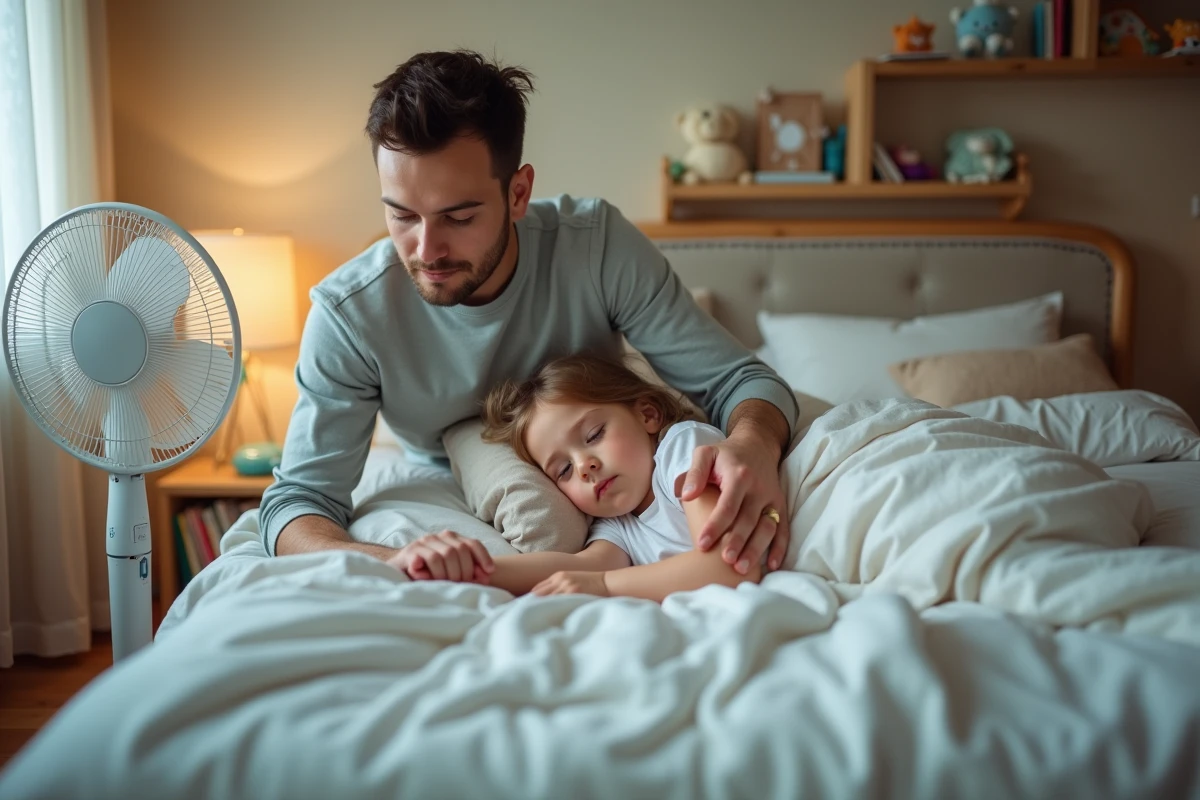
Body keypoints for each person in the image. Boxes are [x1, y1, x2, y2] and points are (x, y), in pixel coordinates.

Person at [259, 49, 799, 575]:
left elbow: (739, 380)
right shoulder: (349, 315)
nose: (426, 250)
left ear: (518, 193)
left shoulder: (596, 247)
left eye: (459, 217)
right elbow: (297, 503)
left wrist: (751, 444)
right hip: (457, 460)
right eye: (402, 216)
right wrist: (389, 563)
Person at [390, 354, 768, 600]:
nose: (584, 466)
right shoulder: (616, 523)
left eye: (593, 435)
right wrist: (469, 569)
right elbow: (577, 568)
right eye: (564, 470)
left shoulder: (683, 450)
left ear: (648, 414)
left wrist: (604, 585)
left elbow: (731, 566)